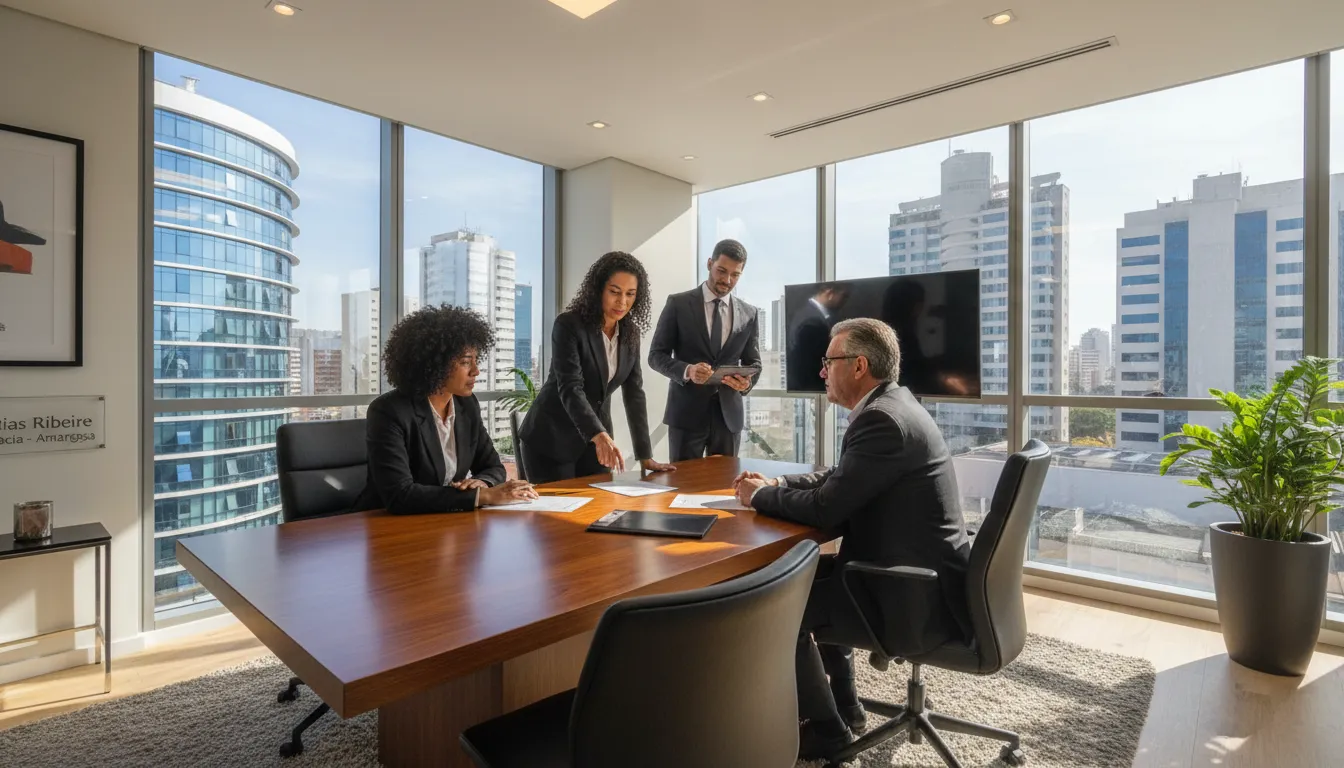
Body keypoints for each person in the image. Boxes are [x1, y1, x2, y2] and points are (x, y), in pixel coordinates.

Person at [733, 318, 972, 761]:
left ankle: (829, 731)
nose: (822, 371)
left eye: (829, 361)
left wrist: (761, 496)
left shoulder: (882, 421)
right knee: (808, 581)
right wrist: (780, 482)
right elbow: (841, 478)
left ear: (858, 365)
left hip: (911, 595)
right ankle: (846, 708)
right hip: (919, 575)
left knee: (780, 602)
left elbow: (827, 508)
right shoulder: (893, 406)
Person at [353, 305, 538, 515]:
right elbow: (400, 495)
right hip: (389, 526)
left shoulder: (466, 405)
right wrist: (483, 497)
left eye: (476, 361)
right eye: (465, 362)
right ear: (435, 364)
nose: (476, 371)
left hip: (446, 521)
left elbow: (493, 467)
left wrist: (482, 484)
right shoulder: (389, 411)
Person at [519, 252, 676, 483]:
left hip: (595, 443)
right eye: (614, 292)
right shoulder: (569, 325)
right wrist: (598, 434)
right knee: (558, 515)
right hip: (551, 438)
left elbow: (634, 394)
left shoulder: (630, 333)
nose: (622, 302)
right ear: (598, 289)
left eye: (630, 294)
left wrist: (645, 455)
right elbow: (571, 387)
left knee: (602, 510)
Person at [648, 238, 761, 461]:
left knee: (723, 486)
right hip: (685, 416)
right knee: (682, 484)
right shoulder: (678, 304)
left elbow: (754, 363)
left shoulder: (750, 314)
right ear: (709, 263)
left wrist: (747, 384)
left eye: (735, 274)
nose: (727, 280)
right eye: (722, 271)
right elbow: (655, 356)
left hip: (728, 418)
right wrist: (687, 370)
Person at [786, 282, 849, 392]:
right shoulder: (811, 320)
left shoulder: (812, 315)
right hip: (812, 384)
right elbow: (809, 364)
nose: (845, 301)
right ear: (830, 292)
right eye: (844, 296)